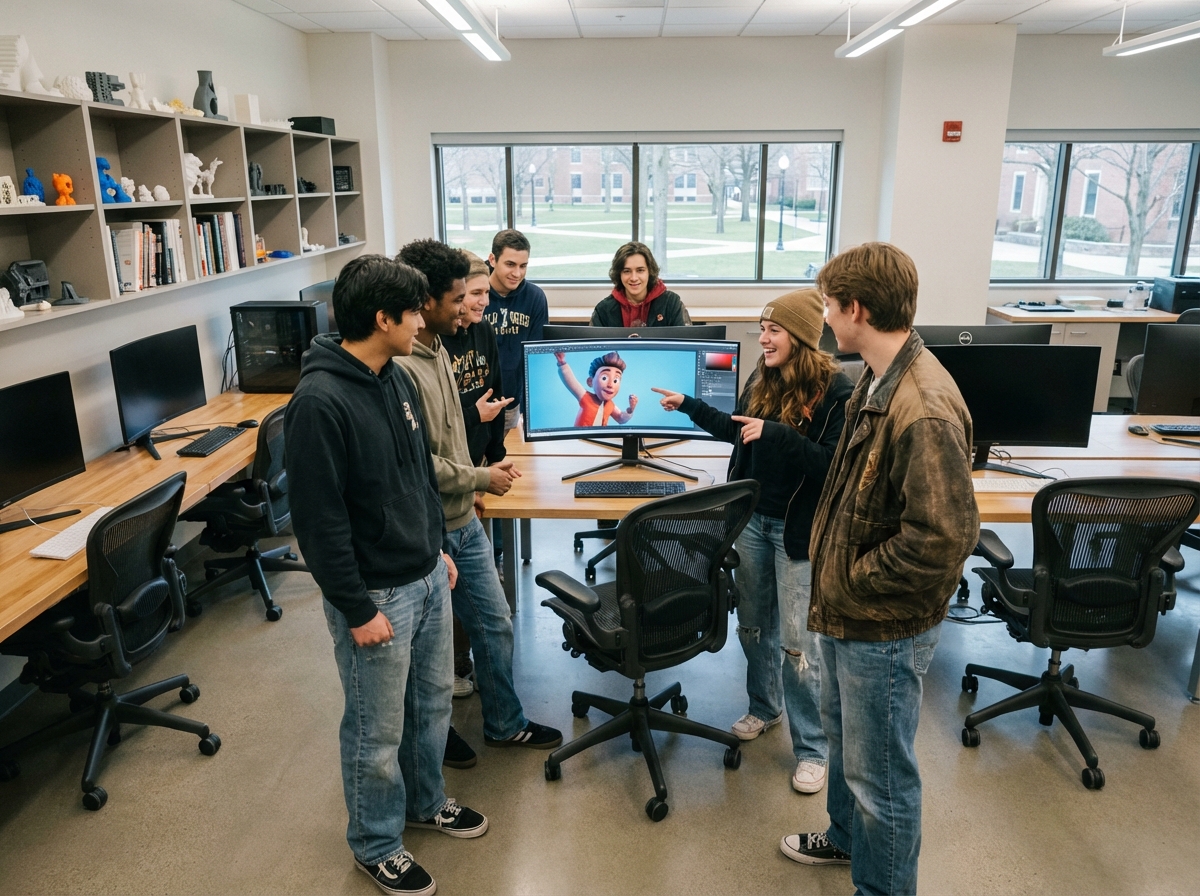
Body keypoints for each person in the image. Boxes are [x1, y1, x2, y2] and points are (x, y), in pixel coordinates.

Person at [780, 242, 979, 895]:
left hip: (881, 625)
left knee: (882, 782)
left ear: (857, 309)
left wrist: (853, 582)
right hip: (848, 614)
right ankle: (843, 840)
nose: (824, 321)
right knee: (849, 753)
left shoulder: (923, 406)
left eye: (830, 307)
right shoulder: (873, 374)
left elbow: (942, 539)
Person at [285, 254, 487, 896]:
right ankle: (376, 842)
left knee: (430, 705)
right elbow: (318, 524)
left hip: (426, 572)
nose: (425, 319)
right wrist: (355, 608)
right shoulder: (319, 403)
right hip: (375, 595)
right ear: (383, 319)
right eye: (414, 311)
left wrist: (437, 549)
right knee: (377, 728)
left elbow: (415, 474)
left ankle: (427, 802)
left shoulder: (394, 377)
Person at [652, 288, 852, 796]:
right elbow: (738, 431)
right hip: (754, 522)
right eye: (762, 328)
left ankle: (813, 749)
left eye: (773, 330)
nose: (762, 338)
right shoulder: (763, 379)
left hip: (797, 531)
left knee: (798, 647)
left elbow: (831, 464)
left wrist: (779, 433)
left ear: (802, 337)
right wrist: (689, 406)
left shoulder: (837, 392)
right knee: (754, 627)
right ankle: (765, 708)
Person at [396, 238, 562, 770]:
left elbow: (457, 432)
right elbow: (421, 464)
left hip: (461, 515)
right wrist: (480, 477)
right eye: (460, 297)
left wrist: (478, 475)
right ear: (428, 301)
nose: (471, 307)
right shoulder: (404, 371)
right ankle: (434, 736)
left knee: (496, 623)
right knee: (430, 655)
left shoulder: (441, 347)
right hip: (431, 525)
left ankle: (504, 724)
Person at [441, 251, 511, 698]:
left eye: (487, 291)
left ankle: (466, 665)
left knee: (474, 591)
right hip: (451, 477)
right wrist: (474, 415)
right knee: (449, 591)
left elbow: (497, 399)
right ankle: (453, 668)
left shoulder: (483, 332)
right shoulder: (436, 345)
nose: (486, 301)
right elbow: (443, 427)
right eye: (479, 293)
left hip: (477, 470)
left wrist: (494, 459)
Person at [484, 229, 547, 432]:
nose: (517, 273)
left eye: (523, 266)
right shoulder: (477, 293)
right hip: (476, 402)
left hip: (512, 400)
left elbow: (536, 354)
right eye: (510, 264)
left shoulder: (535, 297)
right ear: (492, 259)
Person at [591, 241, 689, 328]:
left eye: (640, 270)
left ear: (650, 271)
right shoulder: (603, 310)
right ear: (619, 274)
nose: (634, 278)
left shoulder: (671, 303)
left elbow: (686, 343)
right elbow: (594, 346)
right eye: (626, 271)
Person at [555, 349, 638, 426]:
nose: (610, 385)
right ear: (590, 381)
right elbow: (571, 382)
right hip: (580, 438)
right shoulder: (585, 397)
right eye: (604, 378)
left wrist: (630, 410)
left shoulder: (610, 405)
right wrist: (562, 363)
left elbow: (620, 418)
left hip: (600, 439)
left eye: (615, 380)